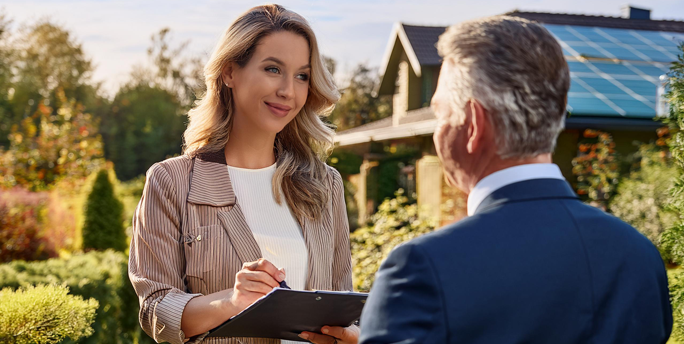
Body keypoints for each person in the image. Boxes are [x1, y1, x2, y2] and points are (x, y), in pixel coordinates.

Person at [359, 15, 672, 344]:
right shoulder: (639, 256)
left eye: (440, 114)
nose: (438, 131)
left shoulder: (423, 269)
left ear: (474, 125)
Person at [128, 5, 359, 344]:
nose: (288, 91)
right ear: (229, 73)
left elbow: (344, 302)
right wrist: (231, 302)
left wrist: (351, 334)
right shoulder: (171, 182)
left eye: (301, 76)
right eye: (272, 69)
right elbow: (155, 310)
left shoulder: (326, 185)